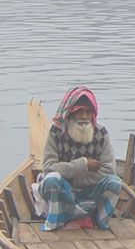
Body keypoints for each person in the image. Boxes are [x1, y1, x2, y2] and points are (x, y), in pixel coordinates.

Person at [38, 86, 124, 231]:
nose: (84, 117)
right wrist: (82, 165)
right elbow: (48, 167)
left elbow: (108, 170)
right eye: (79, 112)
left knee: (114, 183)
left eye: (88, 112)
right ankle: (56, 222)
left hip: (90, 193)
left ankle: (99, 221)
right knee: (52, 179)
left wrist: (74, 177)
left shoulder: (101, 133)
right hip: (63, 191)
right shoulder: (56, 132)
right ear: (70, 113)